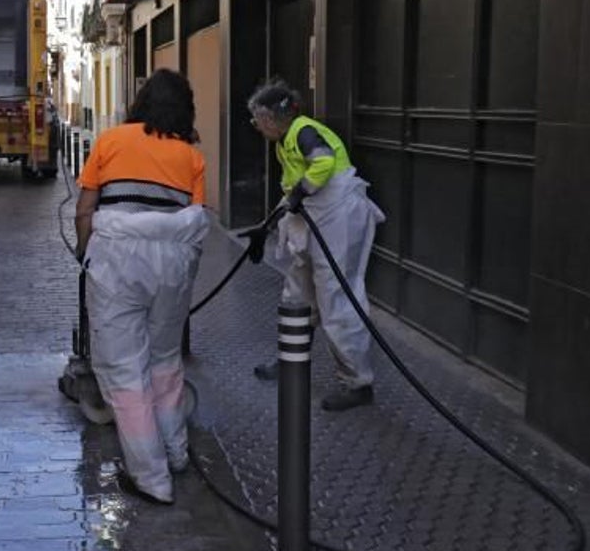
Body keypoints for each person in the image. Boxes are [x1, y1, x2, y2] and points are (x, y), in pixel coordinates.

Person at [75, 69, 211, 505]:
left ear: (142, 102)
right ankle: (176, 452)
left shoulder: (111, 141)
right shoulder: (190, 156)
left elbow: (85, 208)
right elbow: (193, 218)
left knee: (123, 369)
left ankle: (151, 478)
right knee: (165, 360)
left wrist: (84, 252)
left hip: (117, 257)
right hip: (172, 263)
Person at [243, 79, 385, 412]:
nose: (257, 127)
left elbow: (321, 163)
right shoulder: (285, 142)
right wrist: (265, 229)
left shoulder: (304, 131)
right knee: (297, 296)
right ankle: (290, 361)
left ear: (272, 117)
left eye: (257, 120)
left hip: (338, 219)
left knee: (336, 298)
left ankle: (358, 383)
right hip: (319, 220)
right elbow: (293, 189)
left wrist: (299, 194)